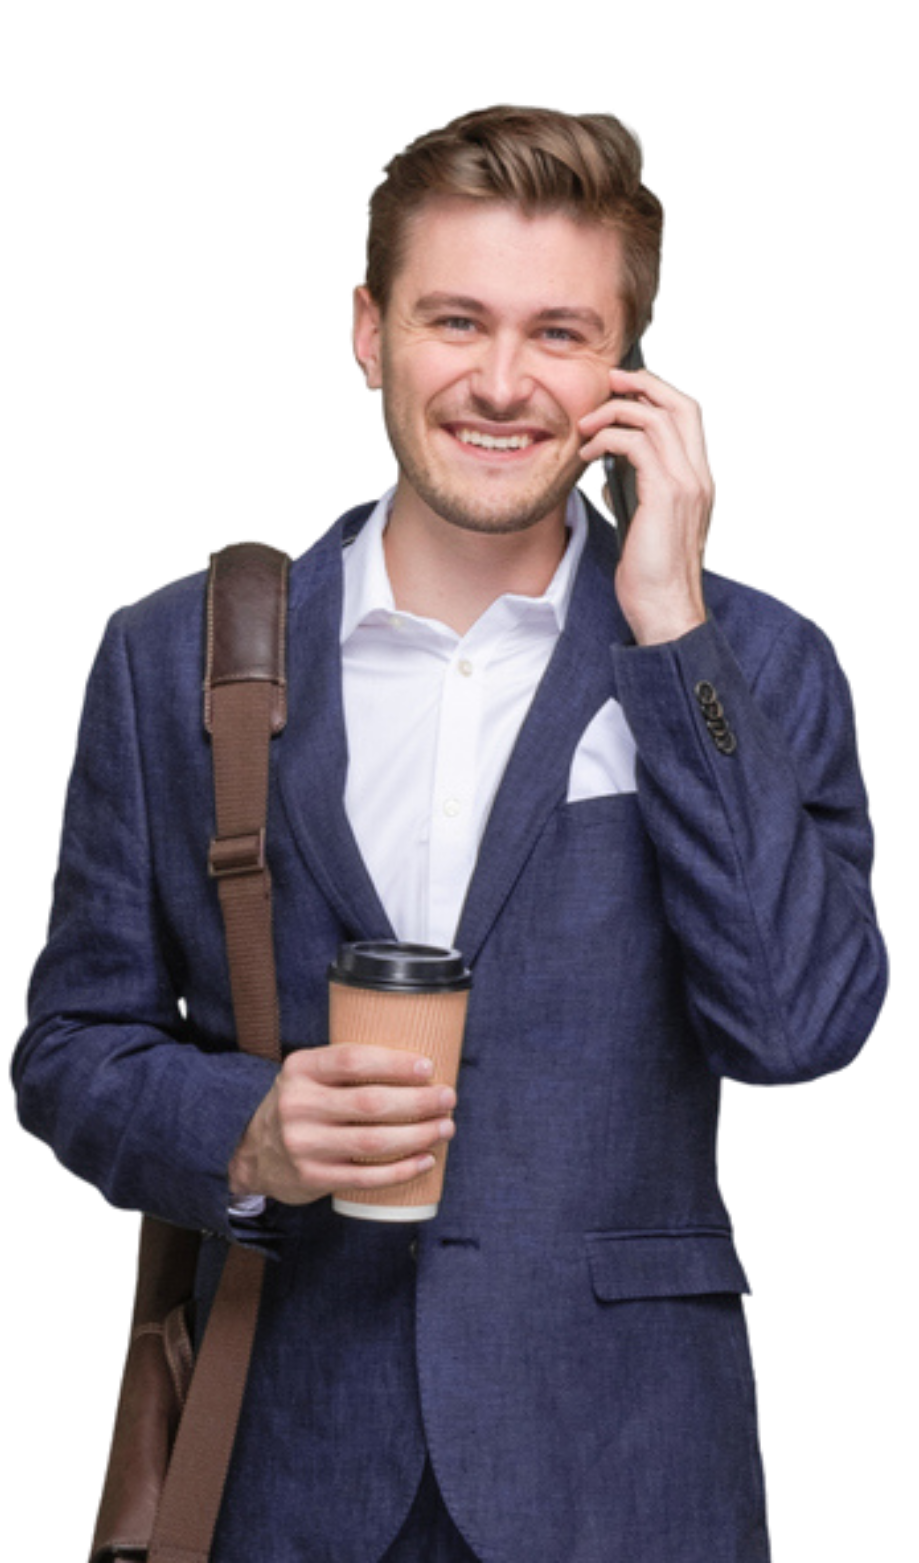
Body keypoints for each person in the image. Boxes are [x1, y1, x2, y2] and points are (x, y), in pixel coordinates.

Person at [12, 103, 888, 1563]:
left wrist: (671, 629)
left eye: (557, 332)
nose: (499, 381)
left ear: (625, 369)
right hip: (287, 1471)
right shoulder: (173, 656)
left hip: (625, 1478)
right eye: (453, 320)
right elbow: (70, 1048)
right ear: (367, 334)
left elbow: (794, 1026)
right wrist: (249, 1126)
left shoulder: (755, 660)